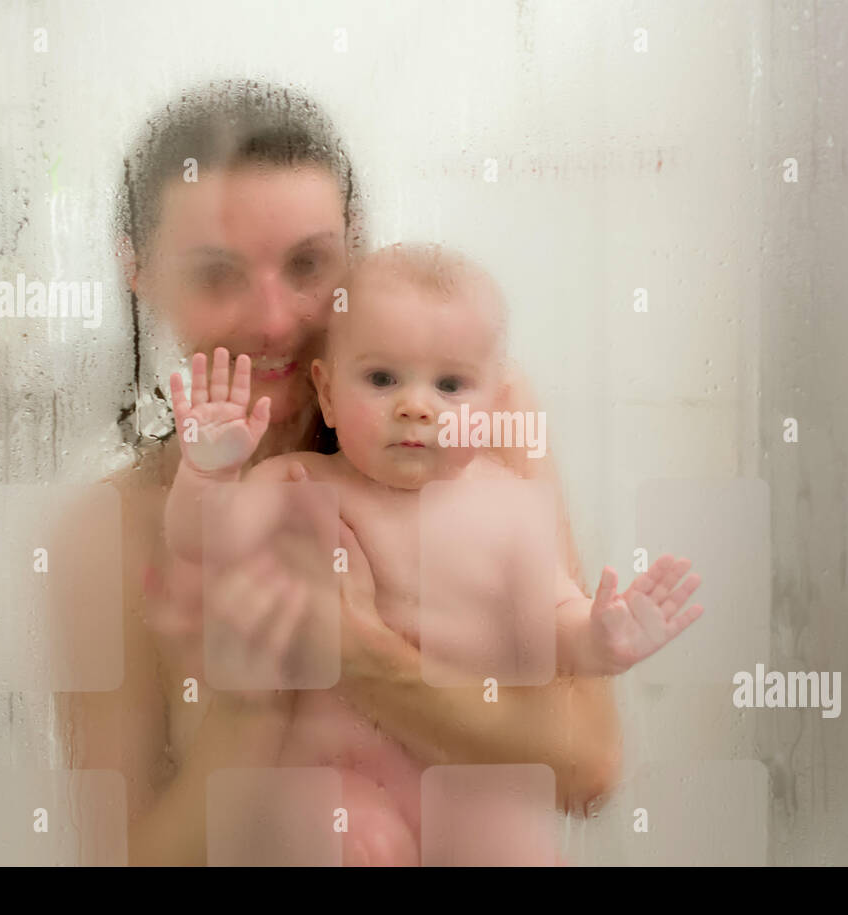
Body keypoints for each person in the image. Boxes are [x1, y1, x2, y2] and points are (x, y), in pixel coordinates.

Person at [54, 80, 622, 866]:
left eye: (309, 265)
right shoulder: (114, 529)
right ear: (139, 272)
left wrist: (358, 652)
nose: (277, 319)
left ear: (355, 249)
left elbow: (586, 766)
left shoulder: (472, 429)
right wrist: (254, 712)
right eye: (218, 275)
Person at [162, 242, 705, 864]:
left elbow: (553, 620)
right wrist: (209, 475)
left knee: (517, 842)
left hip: (466, 771)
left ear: (493, 405)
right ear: (329, 393)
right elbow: (206, 545)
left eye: (450, 385)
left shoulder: (509, 507)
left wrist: (603, 637)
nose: (415, 405)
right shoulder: (301, 483)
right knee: (353, 841)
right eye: (382, 378)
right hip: (340, 776)